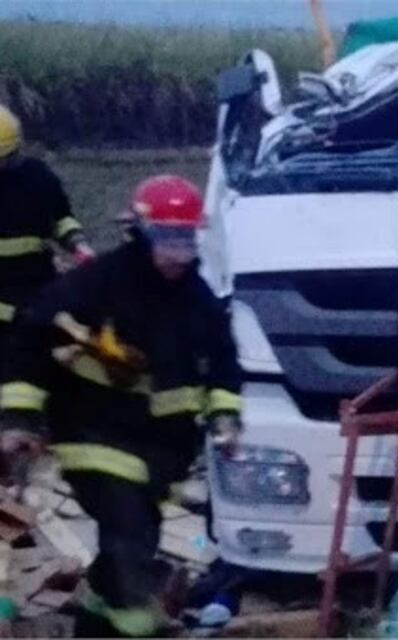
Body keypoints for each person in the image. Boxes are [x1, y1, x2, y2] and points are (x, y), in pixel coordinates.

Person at [0, 175, 243, 637]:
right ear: (140, 232)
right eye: (167, 239)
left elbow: (224, 364)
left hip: (161, 451)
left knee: (136, 540)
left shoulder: (198, 300)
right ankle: (141, 629)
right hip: (93, 433)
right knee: (129, 538)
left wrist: (225, 415)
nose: (178, 254)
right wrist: (19, 417)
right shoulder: (97, 284)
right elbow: (30, 339)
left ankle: (95, 618)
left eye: (186, 240)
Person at [0, 105, 94, 356]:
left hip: (38, 277)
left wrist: (78, 246)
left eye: (8, 157)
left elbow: (62, 218)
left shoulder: (37, 176)